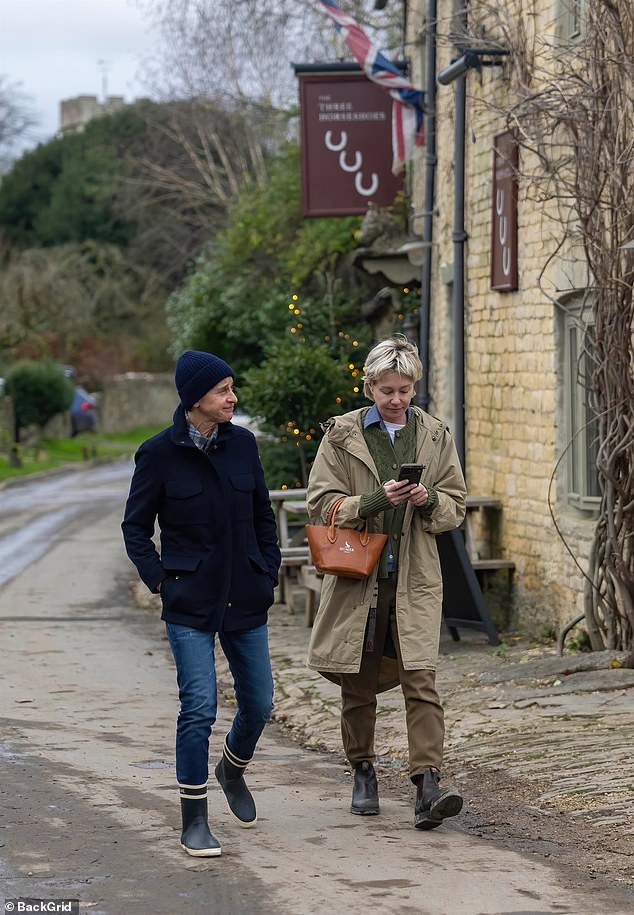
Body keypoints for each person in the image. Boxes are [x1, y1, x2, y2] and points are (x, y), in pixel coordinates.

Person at [122, 350, 281, 857]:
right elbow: (135, 529)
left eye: (232, 388)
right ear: (195, 399)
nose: (232, 397)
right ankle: (194, 818)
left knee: (259, 703)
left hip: (245, 595)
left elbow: (262, 515)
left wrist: (267, 568)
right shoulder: (158, 454)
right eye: (222, 390)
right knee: (199, 707)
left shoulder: (243, 445)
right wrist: (161, 582)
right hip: (189, 600)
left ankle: (232, 769)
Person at [306, 335, 466, 830]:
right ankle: (363, 771)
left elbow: (456, 506)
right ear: (369, 385)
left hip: (415, 578)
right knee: (358, 682)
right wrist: (374, 501)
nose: (396, 399)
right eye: (386, 390)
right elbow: (320, 505)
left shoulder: (436, 435)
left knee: (421, 679)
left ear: (415, 386)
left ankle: (427, 784)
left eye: (405, 389)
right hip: (360, 579)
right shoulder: (341, 436)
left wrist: (427, 499)